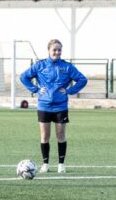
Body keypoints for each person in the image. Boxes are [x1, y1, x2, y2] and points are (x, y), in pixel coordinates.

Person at [19, 39, 88, 173]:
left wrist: (69, 91)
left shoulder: (67, 67)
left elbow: (83, 79)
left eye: (59, 50)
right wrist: (36, 89)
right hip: (44, 106)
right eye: (54, 50)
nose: (57, 52)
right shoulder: (40, 65)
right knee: (45, 136)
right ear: (49, 51)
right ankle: (45, 164)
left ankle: (61, 164)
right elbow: (23, 77)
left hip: (60, 107)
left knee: (61, 135)